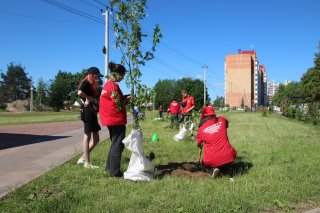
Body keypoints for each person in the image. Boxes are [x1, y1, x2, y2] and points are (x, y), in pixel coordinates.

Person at [99, 62, 130, 177]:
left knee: (114, 144)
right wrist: (127, 100)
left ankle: (109, 167)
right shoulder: (114, 86)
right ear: (117, 74)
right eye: (122, 75)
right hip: (116, 119)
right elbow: (118, 105)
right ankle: (115, 172)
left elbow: (114, 100)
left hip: (109, 119)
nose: (123, 77)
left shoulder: (107, 85)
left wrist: (125, 97)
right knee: (118, 145)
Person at [196, 106, 237, 178]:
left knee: (204, 164)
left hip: (212, 158)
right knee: (224, 160)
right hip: (228, 155)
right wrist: (219, 117)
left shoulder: (201, 129)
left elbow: (199, 144)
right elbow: (226, 123)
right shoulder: (222, 120)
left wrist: (200, 147)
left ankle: (213, 169)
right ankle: (227, 168)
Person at [77, 67, 103, 169]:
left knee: (96, 138)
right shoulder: (86, 82)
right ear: (92, 74)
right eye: (97, 76)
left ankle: (83, 158)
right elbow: (79, 93)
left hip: (92, 111)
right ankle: (87, 163)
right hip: (87, 110)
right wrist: (89, 99)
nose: (98, 78)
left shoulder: (92, 84)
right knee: (87, 136)